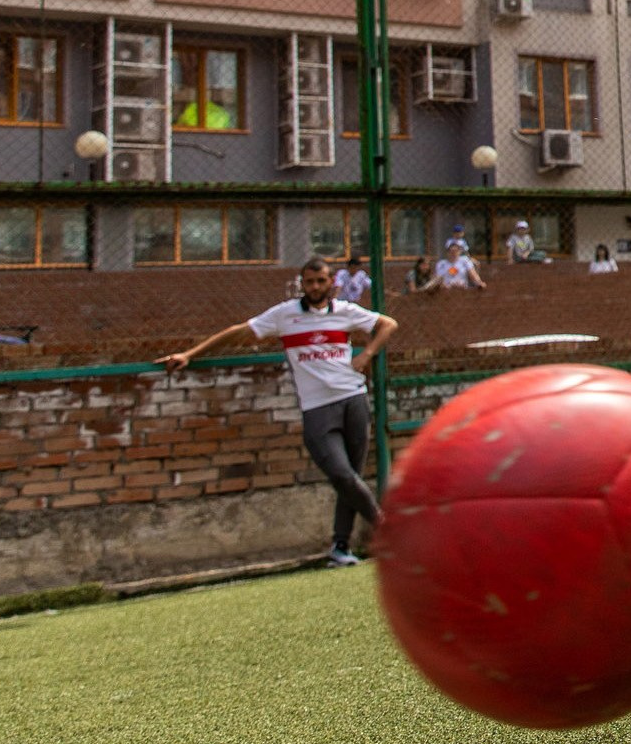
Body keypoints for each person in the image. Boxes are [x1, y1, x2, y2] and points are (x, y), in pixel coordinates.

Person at [155, 256, 397, 567]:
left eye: (321, 281)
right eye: (309, 282)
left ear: (331, 285)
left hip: (354, 400)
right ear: (302, 284)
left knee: (350, 478)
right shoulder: (285, 315)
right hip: (317, 408)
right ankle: (388, 528)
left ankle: (340, 547)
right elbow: (238, 331)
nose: (315, 287)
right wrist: (189, 354)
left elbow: (388, 324)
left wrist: (367, 354)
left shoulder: (346, 312)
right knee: (342, 474)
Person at [417, 238, 486, 293]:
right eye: (451, 250)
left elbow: (473, 275)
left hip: (462, 289)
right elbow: (438, 278)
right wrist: (445, 286)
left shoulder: (464, 261)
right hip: (446, 291)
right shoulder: (441, 264)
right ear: (447, 251)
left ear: (460, 251)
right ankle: (423, 289)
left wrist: (479, 282)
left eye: (457, 250)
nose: (454, 253)